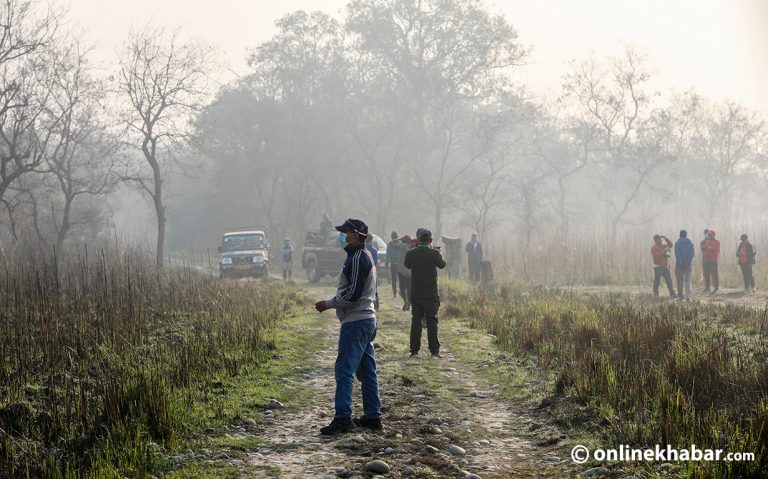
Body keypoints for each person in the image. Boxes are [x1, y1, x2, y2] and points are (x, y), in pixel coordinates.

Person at [314, 218, 382, 434]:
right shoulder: (364, 255)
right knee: (367, 372)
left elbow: (352, 294)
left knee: (344, 371)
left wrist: (328, 304)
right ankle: (373, 417)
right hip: (366, 319)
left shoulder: (356, 259)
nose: (342, 236)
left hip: (356, 321)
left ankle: (343, 418)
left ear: (355, 235)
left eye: (345, 232)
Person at [403, 228, 446, 358]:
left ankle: (414, 351)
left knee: (416, 321)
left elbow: (407, 265)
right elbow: (442, 265)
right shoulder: (434, 253)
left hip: (416, 293)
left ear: (418, 240)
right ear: (430, 240)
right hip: (431, 294)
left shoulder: (411, 253)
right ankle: (434, 351)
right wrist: (437, 252)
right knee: (432, 321)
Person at [674, 230, 695, 301]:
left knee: (679, 280)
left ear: (680, 235)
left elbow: (677, 254)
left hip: (679, 265)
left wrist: (681, 263)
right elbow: (692, 255)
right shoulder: (691, 244)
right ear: (686, 235)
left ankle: (680, 295)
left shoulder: (677, 243)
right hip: (688, 265)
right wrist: (687, 262)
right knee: (688, 280)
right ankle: (688, 296)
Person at [396, 235, 413, 311]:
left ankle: (406, 301)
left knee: (402, 288)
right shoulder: (413, 247)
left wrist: (399, 239)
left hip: (402, 271)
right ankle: (409, 303)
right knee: (409, 288)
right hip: (410, 271)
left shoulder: (401, 247)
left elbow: (391, 243)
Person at [365, 234, 380, 311]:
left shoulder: (362, 249)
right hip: (372, 271)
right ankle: (376, 306)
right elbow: (376, 262)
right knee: (374, 289)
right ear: (371, 240)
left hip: (363, 271)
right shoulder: (374, 250)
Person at [385, 231, 403, 298]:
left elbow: (387, 255)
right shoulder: (401, 243)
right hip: (400, 264)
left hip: (393, 264)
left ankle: (394, 293)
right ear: (397, 236)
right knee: (401, 278)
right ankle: (402, 291)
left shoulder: (389, 244)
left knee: (394, 279)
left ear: (391, 237)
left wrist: (386, 264)